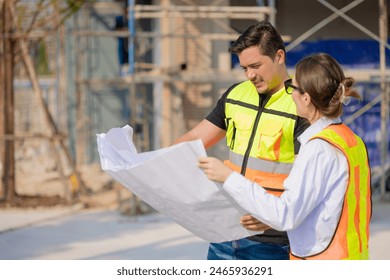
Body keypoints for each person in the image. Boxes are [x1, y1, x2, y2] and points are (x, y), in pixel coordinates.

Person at [198, 53, 372, 260]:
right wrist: (270, 216)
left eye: (294, 87)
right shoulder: (350, 140)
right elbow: (320, 207)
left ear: (306, 98)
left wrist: (228, 177)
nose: (290, 93)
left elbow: (285, 215)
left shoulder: (319, 149)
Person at [174, 20, 309, 260]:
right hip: (224, 233)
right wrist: (149, 163)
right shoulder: (236, 94)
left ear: (279, 56)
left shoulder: (301, 105)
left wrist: (272, 215)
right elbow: (195, 138)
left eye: (256, 65)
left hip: (272, 241)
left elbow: (306, 180)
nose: (250, 75)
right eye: (245, 68)